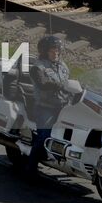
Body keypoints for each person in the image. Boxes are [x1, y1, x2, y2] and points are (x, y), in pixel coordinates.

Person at [26, 34, 77, 173]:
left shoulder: (63, 66)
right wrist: (58, 85)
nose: (56, 53)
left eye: (57, 50)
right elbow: (42, 83)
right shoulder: (38, 67)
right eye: (52, 50)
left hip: (63, 106)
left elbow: (70, 82)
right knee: (44, 135)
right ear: (45, 51)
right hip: (45, 107)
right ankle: (31, 168)